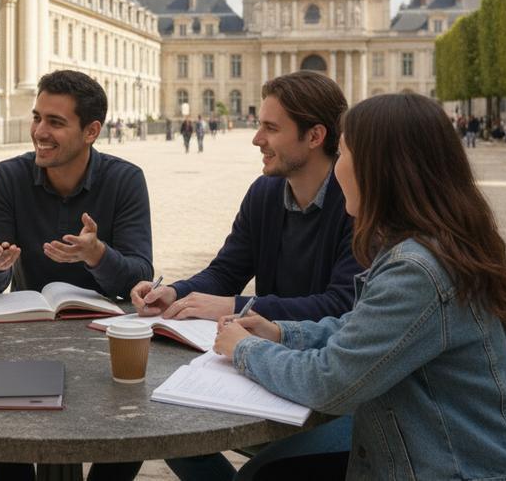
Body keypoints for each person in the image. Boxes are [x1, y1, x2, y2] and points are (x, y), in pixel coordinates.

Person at [215, 92, 506, 481]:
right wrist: (281, 331)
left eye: (345, 154)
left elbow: (330, 381)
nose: (336, 169)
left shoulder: (417, 268)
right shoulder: (430, 243)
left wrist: (245, 350)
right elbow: (366, 330)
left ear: (381, 169)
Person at [131, 71, 361, 480]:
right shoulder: (265, 193)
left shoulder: (356, 202)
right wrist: (176, 292)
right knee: (167, 429)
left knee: (262, 472)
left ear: (314, 136)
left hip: (333, 385)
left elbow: (342, 305)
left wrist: (240, 306)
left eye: (270, 128)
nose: (257, 139)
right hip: (267, 365)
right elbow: (226, 271)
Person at [0, 70, 152, 481]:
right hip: (27, 336)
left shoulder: (125, 180)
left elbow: (140, 275)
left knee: (139, 415)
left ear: (91, 131)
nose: (39, 132)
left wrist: (98, 255)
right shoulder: (8, 177)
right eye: (37, 118)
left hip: (105, 341)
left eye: (55, 122)